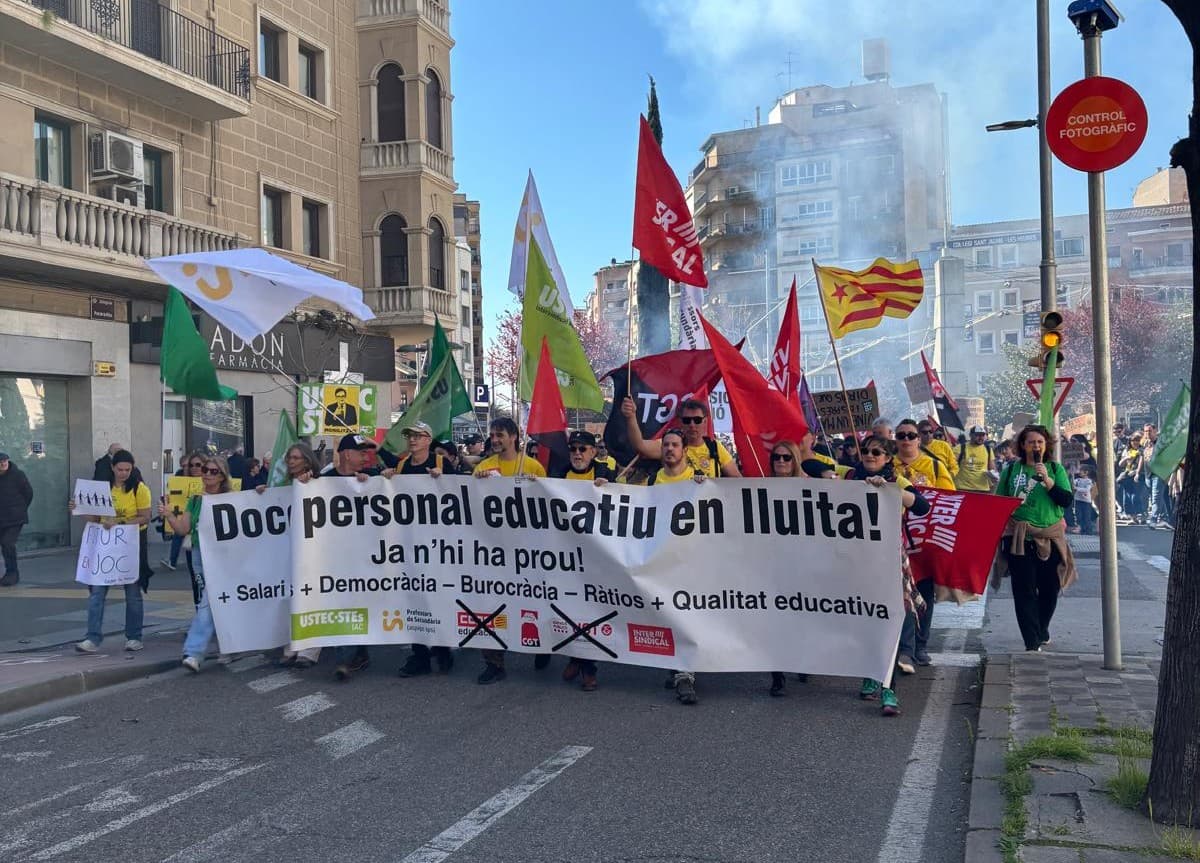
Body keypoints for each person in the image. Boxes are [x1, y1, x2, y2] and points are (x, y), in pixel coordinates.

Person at [846, 435, 932, 716]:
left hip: (889, 560)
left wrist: (892, 491)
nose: (870, 456)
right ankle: (871, 673)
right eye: (866, 452)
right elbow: (810, 465)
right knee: (864, 618)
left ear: (887, 458)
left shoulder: (895, 480)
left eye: (877, 452)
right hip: (856, 561)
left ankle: (889, 688)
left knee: (892, 619)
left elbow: (921, 506)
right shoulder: (849, 478)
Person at [472, 418, 546, 685]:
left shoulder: (533, 466)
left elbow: (547, 505)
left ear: (514, 437)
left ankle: (542, 647)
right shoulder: (484, 467)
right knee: (490, 604)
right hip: (494, 551)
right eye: (492, 435)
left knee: (533, 603)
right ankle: (494, 663)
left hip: (529, 550)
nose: (495, 439)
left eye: (500, 434)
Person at [993, 424, 1077, 652]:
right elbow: (998, 502)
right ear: (1022, 445)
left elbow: (1066, 500)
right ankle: (1031, 641)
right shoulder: (1011, 470)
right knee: (1024, 590)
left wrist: (1047, 480)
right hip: (1018, 537)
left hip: (1048, 537)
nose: (1036, 446)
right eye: (1031, 442)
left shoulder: (1054, 468)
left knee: (1049, 588)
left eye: (1040, 442)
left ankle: (1041, 627)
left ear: (1046, 445)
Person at [320, 434, 392, 680]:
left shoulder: (371, 477)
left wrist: (380, 482)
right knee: (342, 601)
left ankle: (350, 656)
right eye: (361, 452)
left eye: (367, 452)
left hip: (364, 555)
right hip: (334, 556)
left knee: (355, 601)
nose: (365, 457)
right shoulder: (324, 480)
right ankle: (351, 656)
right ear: (347, 454)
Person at [646, 428, 708, 704]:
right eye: (666, 445)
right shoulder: (651, 481)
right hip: (661, 560)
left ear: (684, 450)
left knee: (686, 614)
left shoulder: (699, 482)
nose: (669, 449)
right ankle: (677, 665)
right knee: (667, 614)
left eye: (675, 445)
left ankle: (685, 674)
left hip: (691, 560)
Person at [158, 455, 235, 672]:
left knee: (214, 602)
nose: (207, 475)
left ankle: (195, 651)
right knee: (208, 601)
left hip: (225, 557)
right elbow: (183, 528)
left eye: (213, 471)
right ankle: (222, 647)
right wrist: (169, 515)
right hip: (200, 554)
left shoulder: (232, 498)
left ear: (222, 476)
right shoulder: (195, 499)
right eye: (205, 470)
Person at [551, 430, 615, 692]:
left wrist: (610, 488)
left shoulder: (606, 474)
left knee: (591, 612)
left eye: (583, 449)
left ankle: (588, 667)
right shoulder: (559, 474)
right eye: (573, 448)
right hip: (566, 556)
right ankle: (575, 657)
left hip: (597, 557)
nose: (577, 453)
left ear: (593, 452)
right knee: (570, 610)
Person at [891, 419, 955, 674]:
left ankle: (920, 644)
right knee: (900, 596)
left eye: (911, 435)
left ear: (919, 439)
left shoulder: (935, 466)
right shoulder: (888, 466)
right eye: (901, 435)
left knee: (924, 594)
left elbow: (948, 499)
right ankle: (900, 646)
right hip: (898, 540)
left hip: (926, 540)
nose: (906, 439)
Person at [70, 450, 149, 652]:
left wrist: (120, 522)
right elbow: (96, 519)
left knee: (132, 592)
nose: (123, 473)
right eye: (120, 469)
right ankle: (93, 637)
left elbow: (145, 516)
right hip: (104, 545)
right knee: (97, 591)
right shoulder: (103, 489)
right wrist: (78, 509)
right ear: (113, 468)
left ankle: (134, 636)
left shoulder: (139, 489)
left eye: (127, 470)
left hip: (130, 544)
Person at [394, 422, 456, 679]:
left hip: (437, 543)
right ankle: (419, 654)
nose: (412, 440)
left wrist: (443, 482)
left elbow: (460, 494)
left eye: (418, 436)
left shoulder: (441, 464)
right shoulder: (402, 465)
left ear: (429, 439)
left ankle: (442, 649)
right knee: (412, 597)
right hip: (409, 543)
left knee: (437, 595)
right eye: (410, 436)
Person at [765, 440, 823, 696]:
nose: (781, 462)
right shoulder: (760, 488)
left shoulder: (810, 486)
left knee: (802, 615)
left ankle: (803, 658)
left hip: (804, 561)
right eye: (777, 457)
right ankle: (777, 674)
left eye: (787, 458)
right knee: (775, 619)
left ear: (795, 460)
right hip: (773, 563)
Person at [258, 443, 324, 669]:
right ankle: (292, 646)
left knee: (311, 596)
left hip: (313, 549)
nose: (292, 461)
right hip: (288, 549)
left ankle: (310, 649)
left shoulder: (317, 483)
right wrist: (262, 494)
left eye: (296, 458)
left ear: (307, 460)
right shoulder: (284, 485)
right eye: (289, 458)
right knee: (290, 596)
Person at [622, 396, 742, 478]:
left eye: (697, 420)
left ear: (705, 421)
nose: (692, 425)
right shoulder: (669, 444)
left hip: (707, 511)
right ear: (680, 422)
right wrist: (631, 416)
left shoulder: (715, 447)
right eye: (687, 420)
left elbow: (737, 480)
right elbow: (639, 445)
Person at [162, 453, 205, 572]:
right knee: (195, 572)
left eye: (198, 465)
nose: (194, 468)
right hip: (187, 525)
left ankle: (172, 561)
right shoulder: (180, 477)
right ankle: (173, 560)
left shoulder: (211, 481)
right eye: (191, 465)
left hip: (208, 536)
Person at [0, 453, 33, 587]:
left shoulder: (17, 475)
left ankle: (12, 573)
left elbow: (28, 493)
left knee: (7, 543)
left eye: (5, 461)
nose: (3, 464)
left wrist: (20, 509)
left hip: (15, 518)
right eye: (0, 462)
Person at [955, 426, 996, 492]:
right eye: (977, 435)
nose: (981, 438)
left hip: (983, 489)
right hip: (962, 488)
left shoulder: (988, 449)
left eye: (983, 435)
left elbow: (992, 468)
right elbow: (952, 465)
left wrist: (994, 476)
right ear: (970, 435)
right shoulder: (960, 448)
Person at [1073, 465, 1097, 535]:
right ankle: (1082, 529)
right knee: (1079, 515)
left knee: (1086, 516)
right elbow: (1073, 483)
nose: (1079, 472)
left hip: (1086, 501)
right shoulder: (1078, 480)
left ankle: (1089, 530)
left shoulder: (1089, 481)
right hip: (1078, 499)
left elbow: (1087, 489)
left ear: (1086, 472)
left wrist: (1076, 488)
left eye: (1081, 470)